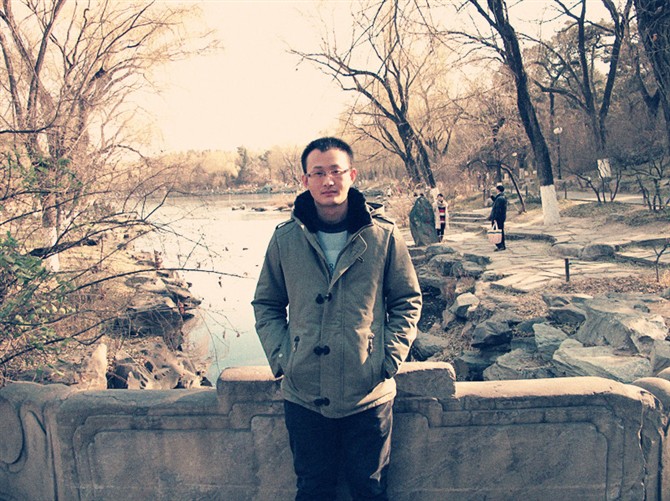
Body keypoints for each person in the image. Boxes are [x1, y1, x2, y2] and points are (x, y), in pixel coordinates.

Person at [252, 137, 422, 501]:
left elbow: (407, 300)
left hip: (369, 396)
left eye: (336, 171)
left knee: (370, 491)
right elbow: (266, 304)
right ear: (305, 180)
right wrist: (282, 358)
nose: (328, 181)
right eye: (318, 173)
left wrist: (387, 359)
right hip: (303, 394)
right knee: (313, 491)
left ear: (352, 175)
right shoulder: (285, 239)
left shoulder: (383, 236)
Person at [488, 183, 507, 251]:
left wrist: (495, 218)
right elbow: (496, 201)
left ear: (498, 190)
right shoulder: (502, 197)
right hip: (501, 217)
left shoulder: (500, 198)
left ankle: (500, 245)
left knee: (497, 232)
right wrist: (492, 196)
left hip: (498, 218)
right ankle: (502, 245)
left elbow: (498, 209)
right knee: (500, 231)